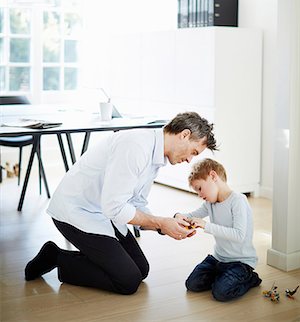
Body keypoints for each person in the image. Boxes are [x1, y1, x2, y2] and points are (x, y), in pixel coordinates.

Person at [25, 112, 217, 295]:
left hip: (104, 213)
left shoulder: (156, 156)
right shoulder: (136, 146)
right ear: (184, 135)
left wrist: (167, 223)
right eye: (193, 152)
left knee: (141, 269)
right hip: (76, 212)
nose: (189, 160)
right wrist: (159, 223)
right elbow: (115, 207)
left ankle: (92, 258)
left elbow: (136, 202)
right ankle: (57, 257)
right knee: (127, 281)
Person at [174, 158, 261, 302]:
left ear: (213, 177)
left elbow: (239, 235)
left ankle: (250, 278)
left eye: (200, 188)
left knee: (220, 293)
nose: (200, 195)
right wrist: (178, 216)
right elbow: (192, 215)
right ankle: (224, 277)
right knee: (192, 284)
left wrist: (205, 225)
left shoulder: (238, 200)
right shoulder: (210, 203)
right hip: (218, 258)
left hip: (240, 262)